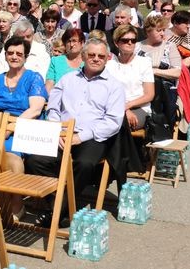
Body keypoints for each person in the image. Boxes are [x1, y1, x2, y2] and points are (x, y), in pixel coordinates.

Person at [25, 38, 125, 224]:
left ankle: (57, 211)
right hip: (62, 134)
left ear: (107, 58)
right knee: (34, 160)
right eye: (92, 55)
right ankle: (59, 204)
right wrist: (57, 130)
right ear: (84, 56)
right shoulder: (67, 79)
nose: (96, 59)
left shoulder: (115, 86)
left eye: (101, 56)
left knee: (85, 164)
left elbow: (113, 122)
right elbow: (53, 108)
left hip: (92, 137)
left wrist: (81, 137)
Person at [0, 37, 47, 188]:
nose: (14, 57)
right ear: (5, 55)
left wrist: (9, 127)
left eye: (19, 54)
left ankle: (15, 204)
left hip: (24, 127)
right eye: (10, 53)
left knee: (11, 157)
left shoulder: (34, 78)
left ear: (26, 57)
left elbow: (35, 109)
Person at [106, 25, 155, 130]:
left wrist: (127, 106)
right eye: (125, 40)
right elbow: (107, 93)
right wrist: (124, 110)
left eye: (133, 40)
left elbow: (149, 94)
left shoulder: (144, 62)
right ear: (116, 43)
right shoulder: (109, 65)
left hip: (139, 107)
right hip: (114, 108)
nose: (130, 43)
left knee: (120, 123)